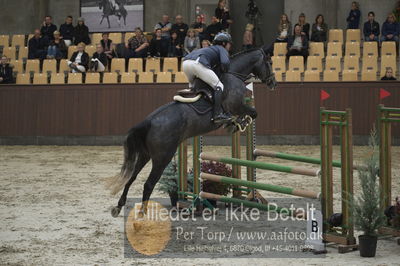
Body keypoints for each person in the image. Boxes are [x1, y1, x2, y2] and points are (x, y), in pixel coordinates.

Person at [182, 32, 232, 123]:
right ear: (224, 43)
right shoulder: (221, 48)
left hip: (185, 63)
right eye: (229, 44)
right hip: (197, 64)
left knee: (193, 88)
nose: (229, 46)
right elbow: (225, 62)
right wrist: (226, 70)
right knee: (219, 86)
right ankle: (217, 115)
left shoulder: (209, 48)